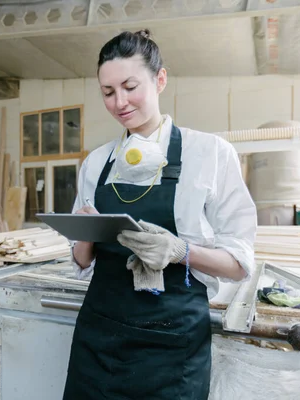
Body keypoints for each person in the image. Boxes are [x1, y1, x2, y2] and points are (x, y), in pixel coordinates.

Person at [62, 29, 257, 399]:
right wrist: (85, 232)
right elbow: (80, 259)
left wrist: (181, 251)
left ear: (160, 79)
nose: (120, 102)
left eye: (130, 86)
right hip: (100, 336)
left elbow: (239, 263)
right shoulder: (97, 162)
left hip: (171, 344)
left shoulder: (210, 154)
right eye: (108, 92)